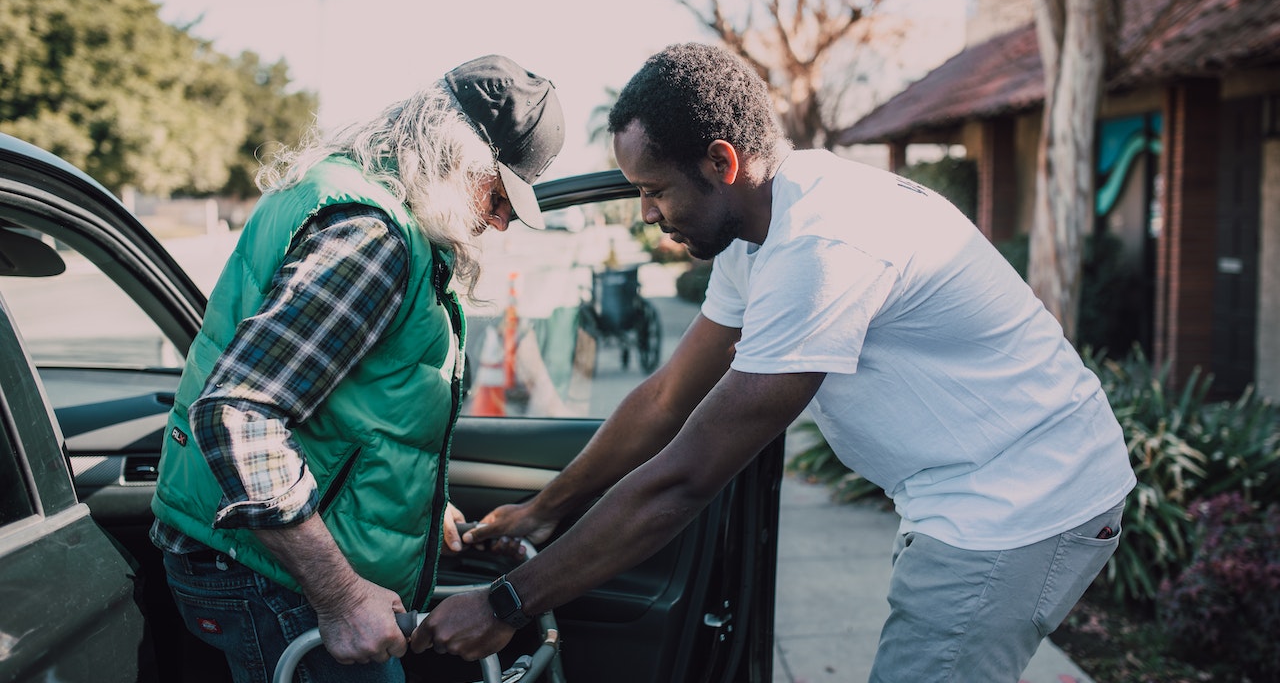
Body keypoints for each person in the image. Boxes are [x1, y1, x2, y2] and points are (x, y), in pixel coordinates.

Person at [415, 42, 1137, 682]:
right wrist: (545, 512)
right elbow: (669, 398)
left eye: (654, 189)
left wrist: (507, 603)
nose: (646, 214)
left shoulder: (822, 244)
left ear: (722, 162)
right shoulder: (760, 232)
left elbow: (686, 477)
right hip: (967, 494)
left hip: (1024, 504)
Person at [148, 54, 564, 683]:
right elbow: (240, 414)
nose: (502, 220)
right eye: (500, 193)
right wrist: (341, 596)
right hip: (270, 576)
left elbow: (346, 401)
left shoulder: (347, 193)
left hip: (252, 555)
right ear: (458, 157)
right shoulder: (372, 237)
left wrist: (417, 505)